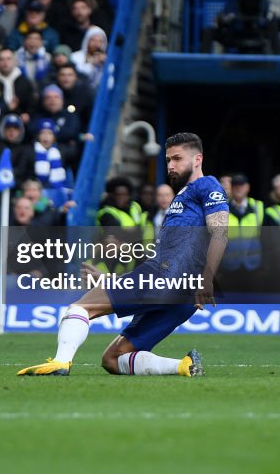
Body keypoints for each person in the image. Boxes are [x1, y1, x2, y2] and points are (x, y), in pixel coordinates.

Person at [18, 132, 226, 377]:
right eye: (168, 159)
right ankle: (183, 366)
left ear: (198, 159)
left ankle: (61, 362)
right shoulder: (183, 197)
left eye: (178, 159)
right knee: (113, 359)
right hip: (181, 294)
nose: (171, 165)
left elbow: (220, 233)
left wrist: (207, 277)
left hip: (169, 278)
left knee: (81, 307)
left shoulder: (206, 185)